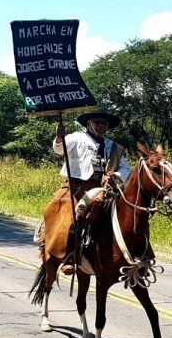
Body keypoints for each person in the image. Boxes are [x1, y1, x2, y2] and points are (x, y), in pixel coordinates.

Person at [53, 108, 130, 273]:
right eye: (98, 122)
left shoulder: (113, 146)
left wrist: (115, 175)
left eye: (105, 123)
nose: (102, 126)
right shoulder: (76, 137)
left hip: (103, 188)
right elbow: (60, 150)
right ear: (89, 123)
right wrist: (60, 138)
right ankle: (69, 255)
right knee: (72, 217)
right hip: (76, 186)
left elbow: (125, 168)